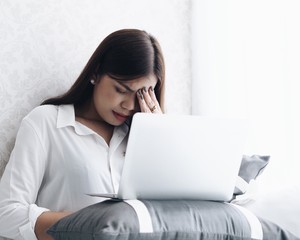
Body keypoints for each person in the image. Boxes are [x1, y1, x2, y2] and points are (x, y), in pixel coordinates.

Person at [0, 29, 165, 240]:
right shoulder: (47, 123)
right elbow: (5, 214)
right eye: (121, 89)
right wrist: (84, 227)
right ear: (96, 73)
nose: (130, 105)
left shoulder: (141, 140)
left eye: (142, 94)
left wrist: (158, 137)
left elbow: (164, 216)